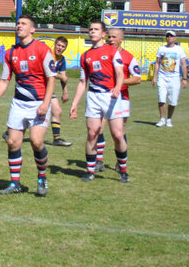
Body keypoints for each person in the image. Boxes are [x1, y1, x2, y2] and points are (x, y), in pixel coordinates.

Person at [0, 15, 56, 196]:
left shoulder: (42, 49)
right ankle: (15, 183)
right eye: (18, 23)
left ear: (32, 29)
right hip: (19, 103)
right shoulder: (11, 53)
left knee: (36, 141)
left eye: (23, 24)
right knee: (12, 142)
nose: (19, 26)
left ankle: (42, 179)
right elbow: (4, 80)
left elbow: (51, 78)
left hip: (39, 103)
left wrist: (46, 103)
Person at [69, 21, 127, 183]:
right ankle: (90, 171)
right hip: (93, 97)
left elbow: (120, 74)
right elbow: (82, 82)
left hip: (111, 96)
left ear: (103, 34)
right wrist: (74, 104)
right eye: (90, 29)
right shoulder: (85, 56)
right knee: (92, 133)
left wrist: (117, 87)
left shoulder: (112, 51)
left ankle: (123, 169)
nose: (92, 31)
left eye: (96, 29)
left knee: (117, 134)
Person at [102, 27, 141, 181]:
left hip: (122, 97)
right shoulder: (102, 54)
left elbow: (137, 78)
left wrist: (119, 82)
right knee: (98, 128)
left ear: (121, 39)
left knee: (119, 132)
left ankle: (121, 162)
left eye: (114, 37)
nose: (111, 40)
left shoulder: (128, 57)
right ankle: (98, 160)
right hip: (102, 96)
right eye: (109, 37)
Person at [152, 30, 187, 128]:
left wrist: (184, 79)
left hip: (175, 78)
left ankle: (169, 119)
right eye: (167, 36)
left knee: (173, 100)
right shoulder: (161, 48)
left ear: (175, 38)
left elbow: (183, 65)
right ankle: (162, 119)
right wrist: (154, 77)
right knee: (161, 98)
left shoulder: (179, 49)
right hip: (162, 77)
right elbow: (157, 63)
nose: (169, 37)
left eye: (171, 36)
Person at [49, 36, 72, 146]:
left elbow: (64, 77)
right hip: (38, 88)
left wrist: (65, 92)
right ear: (54, 45)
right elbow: (46, 71)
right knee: (31, 113)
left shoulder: (62, 60)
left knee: (57, 111)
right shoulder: (48, 55)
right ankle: (10, 132)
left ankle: (56, 139)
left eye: (63, 46)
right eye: (58, 45)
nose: (60, 48)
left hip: (48, 90)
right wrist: (60, 77)